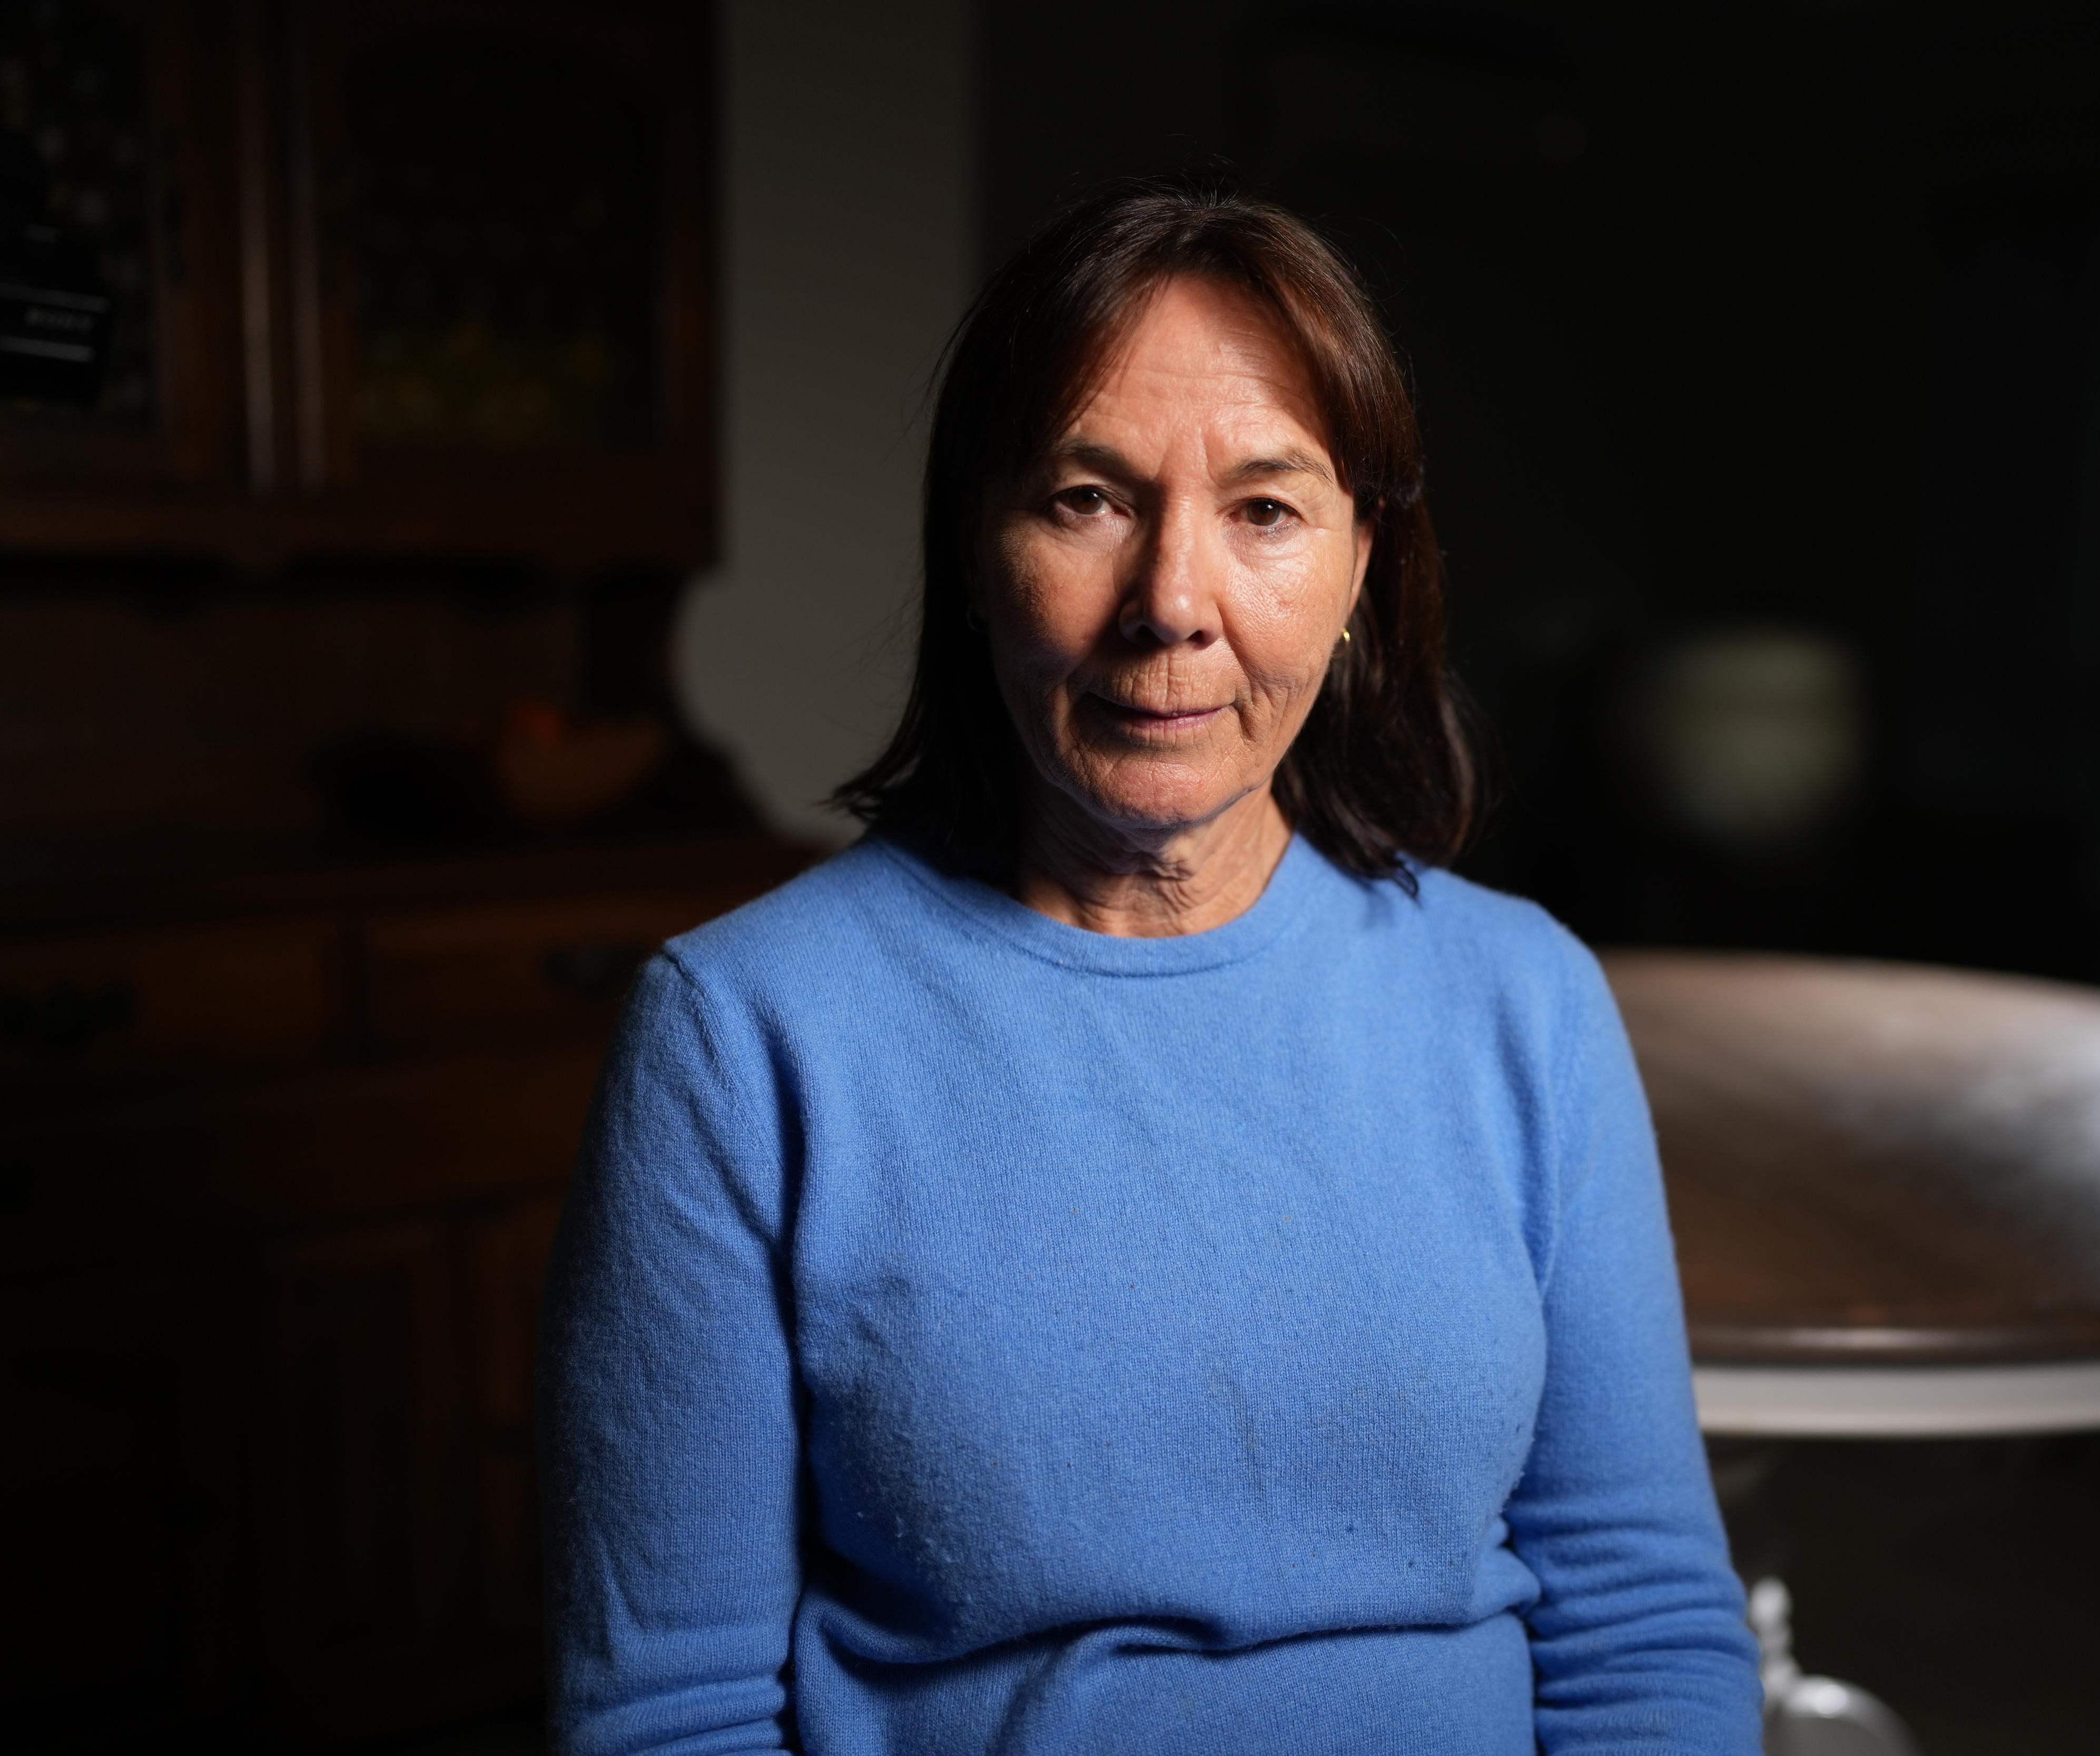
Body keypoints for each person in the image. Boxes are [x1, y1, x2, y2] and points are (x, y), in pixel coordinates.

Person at [542, 176, 1761, 1755]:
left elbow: (1643, 1624)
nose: (1173, 604)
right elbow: (667, 1720)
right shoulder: (741, 1038)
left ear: (1361, 574)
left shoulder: (1526, 1006)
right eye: (1087, 499)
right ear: (976, 551)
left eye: (1265, 509)